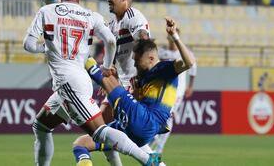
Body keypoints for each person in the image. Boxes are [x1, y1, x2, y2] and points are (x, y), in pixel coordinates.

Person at [23, 0, 160, 166]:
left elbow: (28, 45)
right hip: (78, 81)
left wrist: (47, 47)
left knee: (100, 131)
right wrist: (107, 68)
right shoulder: (92, 16)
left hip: (69, 82)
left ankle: (149, 161)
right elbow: (110, 41)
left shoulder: (46, 11)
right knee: (41, 126)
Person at [72, 17, 195, 166]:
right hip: (136, 127)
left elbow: (189, 63)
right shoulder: (141, 78)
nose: (135, 64)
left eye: (137, 61)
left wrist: (175, 36)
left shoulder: (165, 69)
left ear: (151, 58)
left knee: (106, 79)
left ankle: (79, 49)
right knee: (81, 144)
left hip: (148, 122)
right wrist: (120, 83)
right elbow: (134, 101)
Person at [73, 0, 152, 166]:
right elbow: (116, 53)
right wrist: (110, 78)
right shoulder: (112, 24)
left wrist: (141, 78)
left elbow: (144, 39)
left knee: (111, 133)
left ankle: (155, 162)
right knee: (102, 131)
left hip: (134, 84)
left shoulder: (133, 16)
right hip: (120, 84)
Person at [149, 27, 197, 154]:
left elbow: (193, 70)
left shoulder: (186, 53)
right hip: (163, 89)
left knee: (169, 116)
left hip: (178, 91)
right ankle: (153, 141)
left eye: (173, 38)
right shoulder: (163, 53)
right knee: (161, 115)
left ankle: (157, 147)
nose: (171, 40)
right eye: (169, 38)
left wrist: (190, 86)